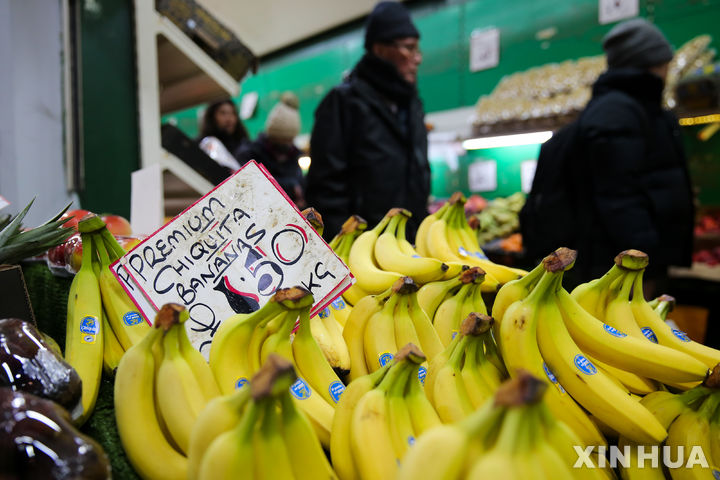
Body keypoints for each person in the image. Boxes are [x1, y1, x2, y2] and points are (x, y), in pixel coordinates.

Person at [548, 18, 694, 291]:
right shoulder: (617, 113)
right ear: (651, 63)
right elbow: (618, 196)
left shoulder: (633, 109)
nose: (667, 70)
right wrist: (643, 261)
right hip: (623, 268)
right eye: (664, 63)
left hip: (628, 261)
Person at [305, 1, 430, 240]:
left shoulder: (413, 105)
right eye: (409, 48)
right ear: (380, 48)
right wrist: (345, 246)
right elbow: (326, 192)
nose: (417, 59)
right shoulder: (342, 103)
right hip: (361, 248)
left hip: (408, 244)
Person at [236, 92, 307, 208]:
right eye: (282, 139)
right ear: (272, 137)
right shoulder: (249, 154)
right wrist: (290, 186)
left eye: (289, 140)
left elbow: (302, 188)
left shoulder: (293, 156)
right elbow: (249, 184)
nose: (286, 144)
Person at [197, 98, 250, 173]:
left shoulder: (243, 145)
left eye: (233, 113)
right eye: (223, 113)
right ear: (211, 117)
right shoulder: (204, 144)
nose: (229, 119)